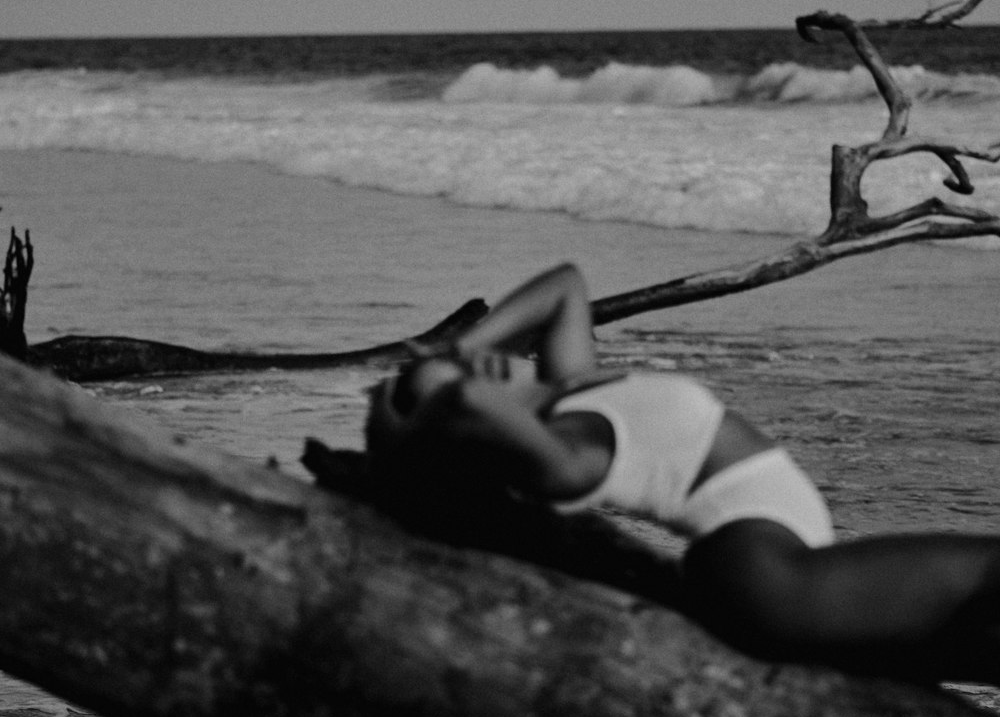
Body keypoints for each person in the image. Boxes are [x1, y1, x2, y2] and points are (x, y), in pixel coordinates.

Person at [366, 263, 1000, 680]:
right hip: (765, 576)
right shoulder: (568, 453)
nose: (478, 375)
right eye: (451, 392)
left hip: (775, 572)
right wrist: (418, 432)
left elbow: (565, 285)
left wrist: (460, 349)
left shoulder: (572, 389)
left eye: (468, 367)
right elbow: (474, 405)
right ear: (463, 429)